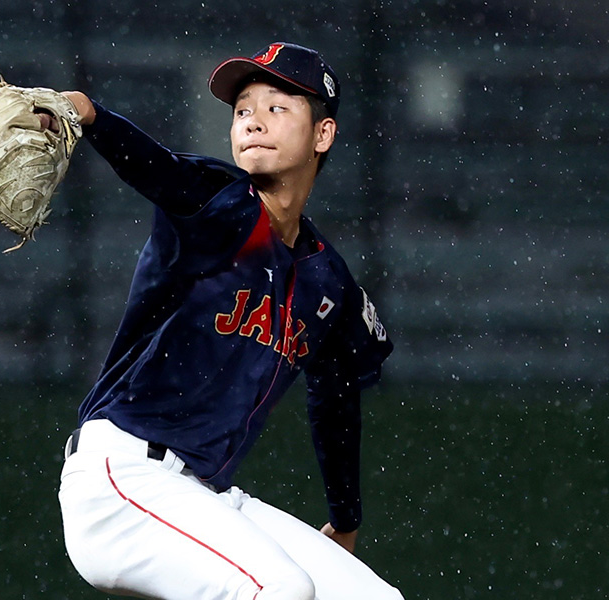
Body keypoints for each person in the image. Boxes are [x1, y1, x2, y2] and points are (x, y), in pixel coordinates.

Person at [57, 42, 403, 599]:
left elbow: (334, 396)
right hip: (122, 477)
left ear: (323, 135)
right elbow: (158, 169)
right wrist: (90, 114)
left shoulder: (326, 279)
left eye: (277, 106)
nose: (253, 120)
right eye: (243, 109)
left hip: (204, 492)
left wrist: (345, 518)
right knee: (280, 591)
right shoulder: (218, 203)